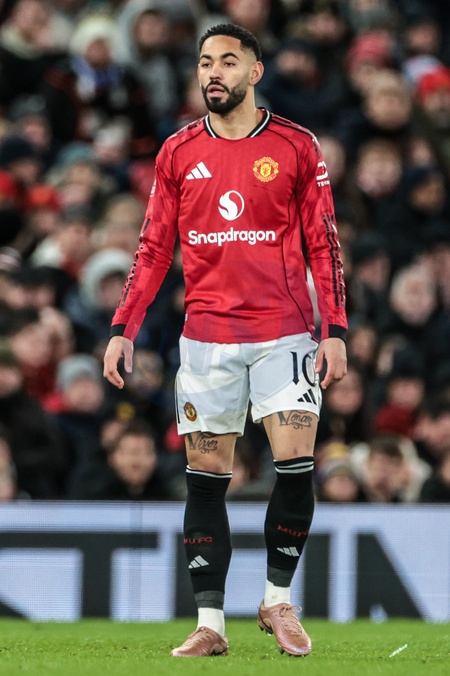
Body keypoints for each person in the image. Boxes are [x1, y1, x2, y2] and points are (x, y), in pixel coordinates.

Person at [103, 23, 347, 658]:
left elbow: (324, 242)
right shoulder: (178, 151)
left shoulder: (296, 145)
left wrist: (335, 329)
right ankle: (210, 623)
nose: (214, 72)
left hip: (284, 332)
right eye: (206, 61)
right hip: (207, 338)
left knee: (295, 460)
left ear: (255, 72)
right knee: (207, 477)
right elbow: (152, 247)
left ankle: (276, 600)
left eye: (229, 61)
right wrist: (123, 327)